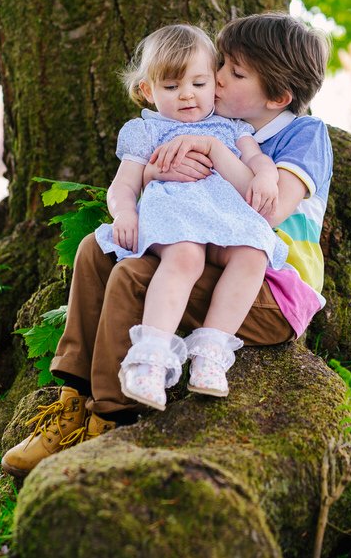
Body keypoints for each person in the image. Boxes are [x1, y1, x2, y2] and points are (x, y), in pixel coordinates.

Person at [2, 12, 332, 478]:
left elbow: (268, 213)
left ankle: (109, 417)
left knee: (135, 275)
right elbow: (174, 171)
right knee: (97, 251)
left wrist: (213, 153)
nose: (215, 80)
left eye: (234, 73)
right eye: (221, 66)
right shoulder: (217, 116)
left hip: (268, 290)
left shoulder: (303, 135)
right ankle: (70, 403)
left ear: (278, 96)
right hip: (208, 252)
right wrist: (158, 172)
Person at [92, 23, 288, 412]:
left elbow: (256, 162)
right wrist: (125, 212)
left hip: (226, 220)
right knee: (186, 257)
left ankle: (211, 353)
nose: (187, 95)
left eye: (198, 84)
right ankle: (150, 358)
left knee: (252, 254)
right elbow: (123, 184)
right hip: (175, 218)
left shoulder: (231, 128)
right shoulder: (146, 131)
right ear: (147, 90)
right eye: (171, 87)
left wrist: (266, 175)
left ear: (213, 82)